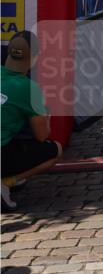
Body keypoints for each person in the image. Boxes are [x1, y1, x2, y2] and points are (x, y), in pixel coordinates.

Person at [1, 32, 63, 208]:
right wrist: (46, 115)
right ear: (34, 58)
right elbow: (42, 136)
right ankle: (7, 182)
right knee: (55, 150)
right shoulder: (30, 88)